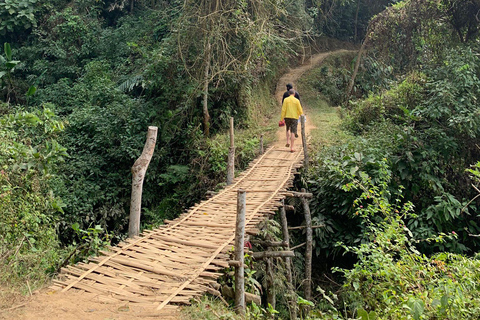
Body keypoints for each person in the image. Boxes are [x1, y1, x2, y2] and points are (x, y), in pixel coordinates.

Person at [281, 89, 304, 153]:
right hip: (294, 117)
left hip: (287, 116)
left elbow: (283, 110)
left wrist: (281, 118)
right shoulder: (296, 100)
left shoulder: (285, 100)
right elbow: (300, 109)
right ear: (294, 94)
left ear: (289, 94)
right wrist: (301, 115)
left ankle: (288, 141)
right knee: (293, 131)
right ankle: (292, 147)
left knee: (287, 128)